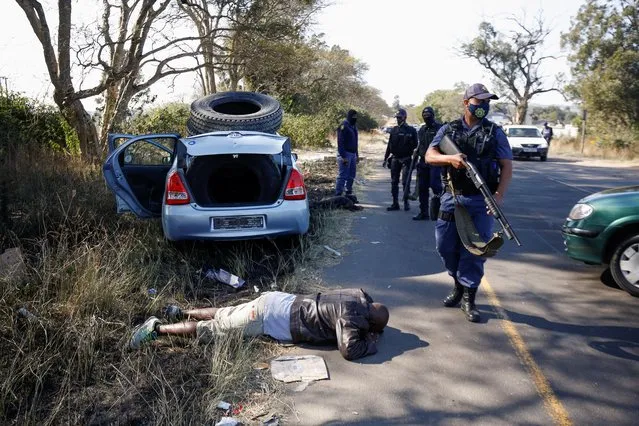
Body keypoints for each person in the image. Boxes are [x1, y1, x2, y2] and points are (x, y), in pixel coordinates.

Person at [425, 83, 513, 322]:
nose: (483, 106)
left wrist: (498, 196)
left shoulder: (495, 132)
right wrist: (450, 158)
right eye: (479, 102)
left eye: (487, 102)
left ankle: (468, 297)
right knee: (445, 247)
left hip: (480, 200)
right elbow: (429, 156)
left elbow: (506, 166)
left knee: (475, 251)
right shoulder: (448, 129)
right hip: (451, 197)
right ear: (466, 103)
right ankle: (458, 284)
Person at [130, 288, 390, 361]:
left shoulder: (358, 295)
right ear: (369, 322)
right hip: (269, 317)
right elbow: (349, 350)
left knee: (226, 312)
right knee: (215, 331)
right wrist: (371, 343)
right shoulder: (352, 320)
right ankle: (156, 329)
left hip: (280, 300)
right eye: (373, 328)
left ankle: (181, 311)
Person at [383, 108, 418, 211]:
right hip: (395, 159)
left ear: (404, 117)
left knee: (405, 182)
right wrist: (385, 159)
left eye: (400, 117)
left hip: (406, 159)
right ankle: (395, 203)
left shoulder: (411, 130)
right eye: (397, 117)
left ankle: (406, 202)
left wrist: (415, 161)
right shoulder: (394, 130)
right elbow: (389, 146)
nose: (398, 119)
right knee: (394, 182)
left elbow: (416, 147)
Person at [413, 106, 443, 220]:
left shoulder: (440, 128)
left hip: (435, 162)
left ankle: (439, 211)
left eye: (428, 115)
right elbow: (420, 144)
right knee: (422, 188)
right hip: (423, 162)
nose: (426, 117)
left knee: (436, 186)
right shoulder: (422, 129)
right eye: (424, 115)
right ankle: (424, 212)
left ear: (433, 115)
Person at [335, 110, 359, 199]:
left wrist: (357, 155)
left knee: (352, 175)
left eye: (356, 117)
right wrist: (343, 156)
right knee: (343, 175)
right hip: (345, 154)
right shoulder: (343, 126)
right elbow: (340, 142)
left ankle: (348, 193)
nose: (354, 119)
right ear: (349, 117)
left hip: (353, 154)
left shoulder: (354, 127)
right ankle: (338, 195)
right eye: (353, 117)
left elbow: (356, 142)